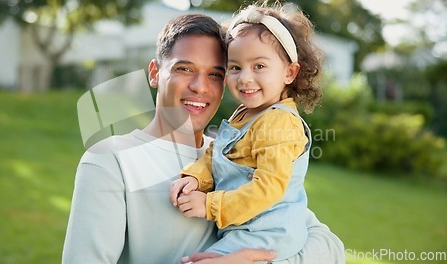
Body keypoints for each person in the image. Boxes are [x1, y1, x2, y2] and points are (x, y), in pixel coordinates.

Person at [62, 12, 345, 264]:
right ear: (154, 73)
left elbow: (330, 248)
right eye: (184, 69)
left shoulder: (237, 155)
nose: (200, 87)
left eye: (215, 74)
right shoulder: (111, 161)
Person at [169, 3, 326, 262]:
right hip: (245, 229)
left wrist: (209, 205)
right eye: (235, 67)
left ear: (289, 72)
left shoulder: (278, 122)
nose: (245, 78)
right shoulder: (247, 113)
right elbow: (218, 153)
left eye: (259, 66)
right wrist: (196, 177)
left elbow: (268, 188)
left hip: (267, 233)